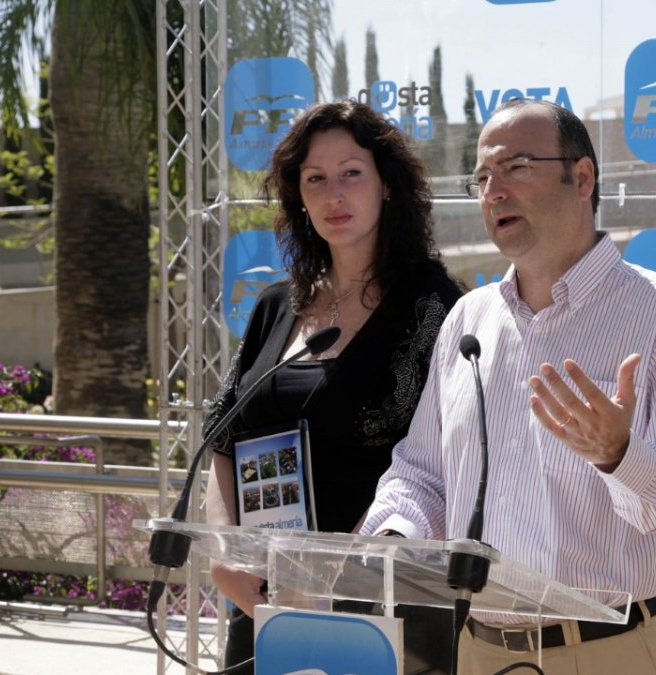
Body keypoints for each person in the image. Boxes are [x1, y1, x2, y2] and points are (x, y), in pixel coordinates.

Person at [359, 98, 656, 675]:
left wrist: (623, 456)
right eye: (483, 177)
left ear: (583, 177)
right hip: (480, 649)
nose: (494, 190)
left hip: (614, 650)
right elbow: (422, 473)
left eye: (516, 167)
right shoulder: (468, 321)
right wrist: (395, 534)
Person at [204, 100, 463, 674]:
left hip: (379, 608)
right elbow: (222, 437)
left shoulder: (433, 306)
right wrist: (227, 550)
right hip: (266, 597)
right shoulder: (276, 305)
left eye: (351, 173)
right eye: (314, 179)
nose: (333, 195)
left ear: (387, 184)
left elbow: (429, 464)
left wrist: (329, 575)